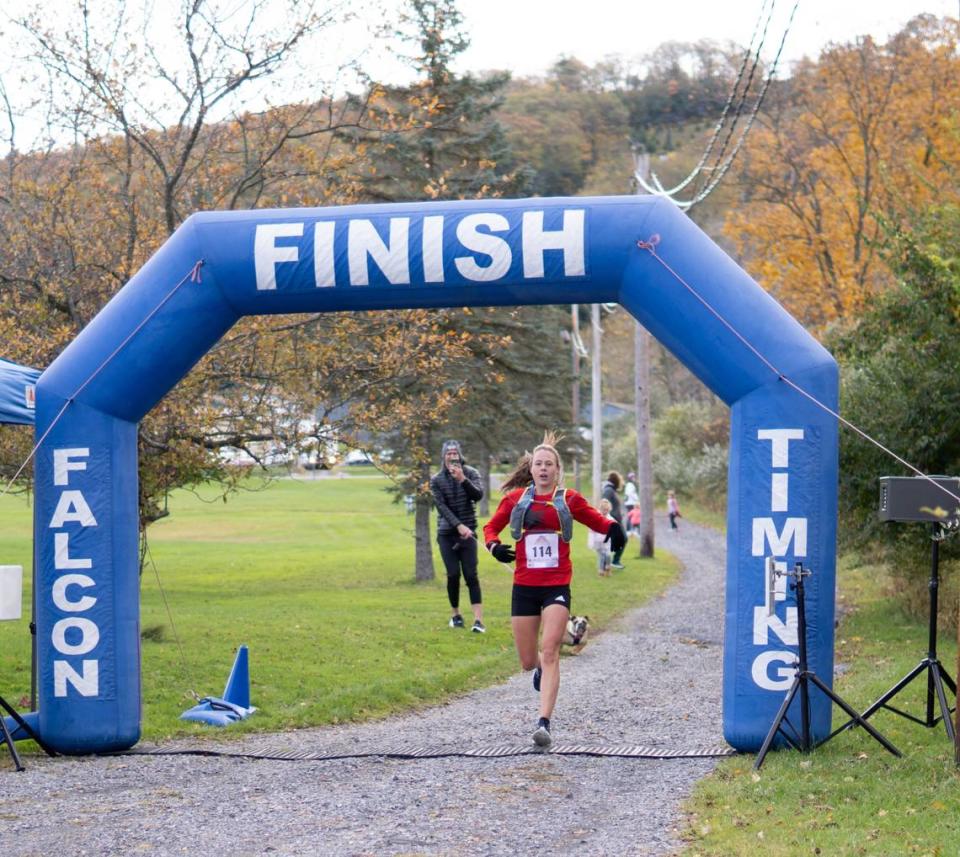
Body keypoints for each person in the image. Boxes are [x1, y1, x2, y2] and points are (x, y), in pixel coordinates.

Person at [484, 433, 626, 747]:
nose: (544, 468)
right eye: (539, 464)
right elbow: (490, 527)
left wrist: (615, 529)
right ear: (531, 468)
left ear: (557, 470)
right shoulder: (516, 501)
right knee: (527, 660)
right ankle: (539, 670)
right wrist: (493, 545)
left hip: (556, 586)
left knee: (550, 651)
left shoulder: (568, 499)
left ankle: (543, 724)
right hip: (524, 587)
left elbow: (596, 520)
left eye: (549, 464)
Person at [430, 440, 485, 632]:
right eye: (448, 453)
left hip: (469, 534)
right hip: (447, 534)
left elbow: (478, 495)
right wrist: (458, 525)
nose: (452, 456)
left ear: (460, 455)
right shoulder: (436, 480)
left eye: (455, 453)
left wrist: (462, 479)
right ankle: (456, 615)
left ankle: (478, 621)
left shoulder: (471, 473)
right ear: (443, 457)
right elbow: (441, 507)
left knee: (471, 575)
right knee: (453, 574)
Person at [601, 471, 625, 568]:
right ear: (616, 480)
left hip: (617, 520)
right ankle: (612, 562)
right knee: (621, 539)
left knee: (616, 540)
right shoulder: (608, 490)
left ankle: (611, 562)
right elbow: (604, 503)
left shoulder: (612, 490)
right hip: (613, 521)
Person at [587, 498, 616, 575]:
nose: (605, 512)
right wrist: (591, 542)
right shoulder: (596, 518)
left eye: (606, 510)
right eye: (603, 510)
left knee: (608, 555)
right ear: (600, 509)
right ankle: (601, 571)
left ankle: (608, 566)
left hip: (608, 542)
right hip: (598, 541)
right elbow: (591, 531)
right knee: (601, 556)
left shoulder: (610, 519)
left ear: (609, 509)